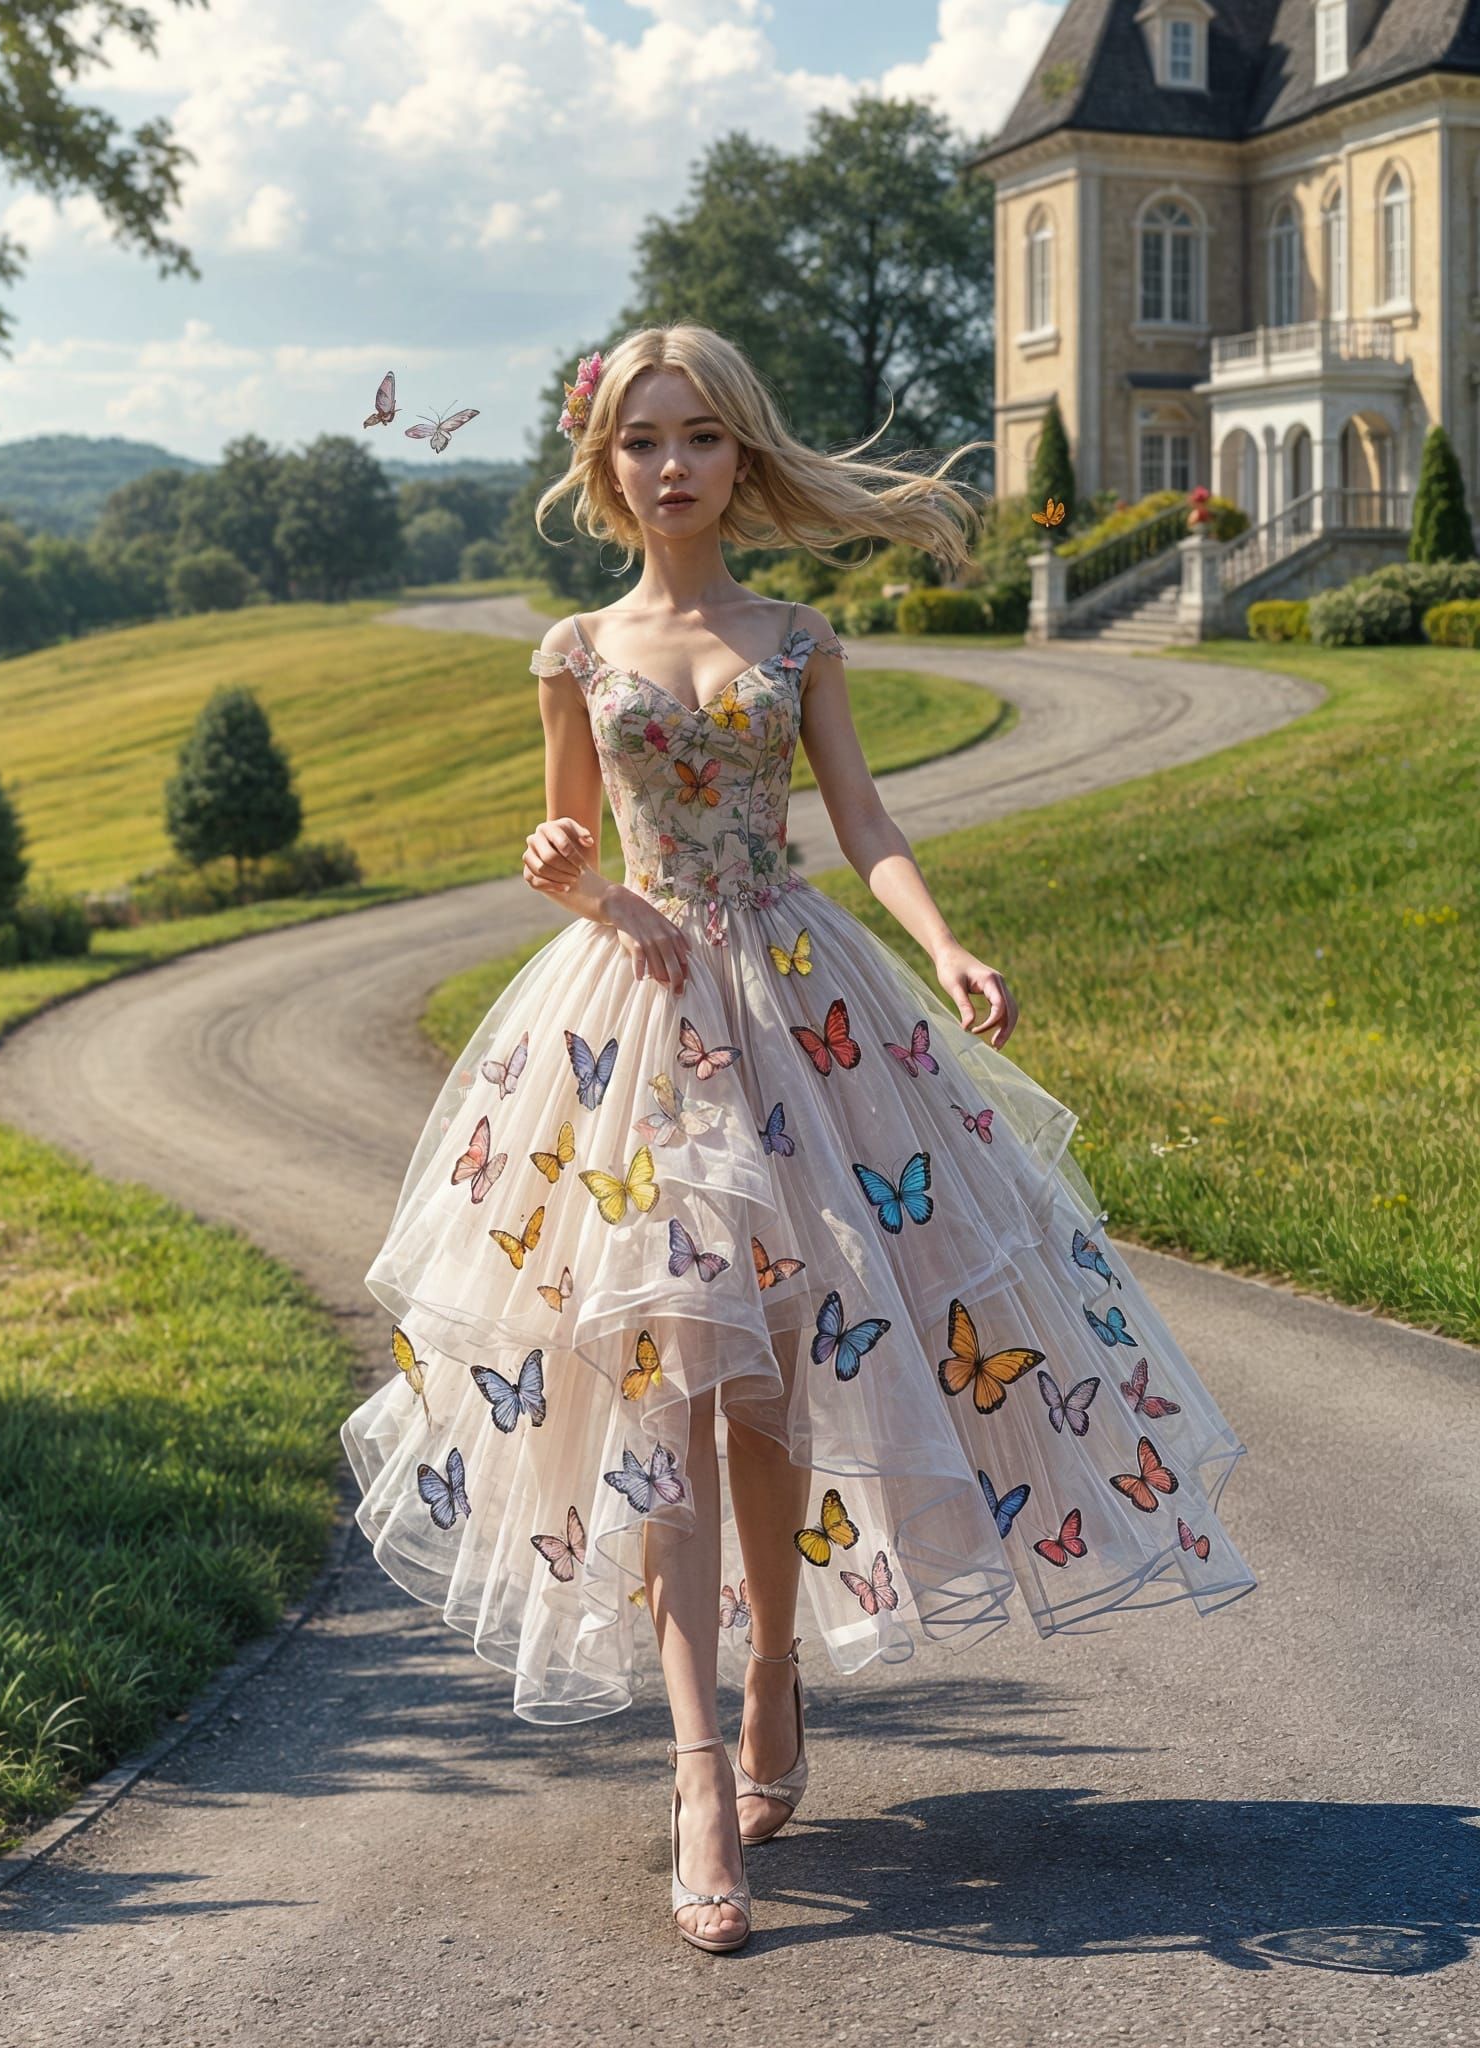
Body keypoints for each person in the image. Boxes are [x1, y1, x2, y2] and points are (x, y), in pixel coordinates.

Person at [340, 322, 1257, 1956]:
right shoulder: (573, 649)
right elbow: (566, 847)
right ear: (604, 466)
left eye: (696, 435)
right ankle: (696, 1774)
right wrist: (569, 871)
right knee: (660, 1399)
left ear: (739, 454)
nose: (670, 464)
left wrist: (949, 941)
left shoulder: (799, 634)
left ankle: (776, 1668)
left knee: (772, 1389)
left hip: (801, 1012)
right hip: (633, 1026)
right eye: (641, 441)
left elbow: (868, 820)